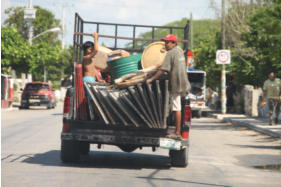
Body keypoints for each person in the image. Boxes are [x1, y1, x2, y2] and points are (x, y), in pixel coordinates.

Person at [146, 34, 190, 138]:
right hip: (184, 83)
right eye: (165, 42)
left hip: (176, 83)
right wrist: (164, 48)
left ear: (174, 43)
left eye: (167, 42)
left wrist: (151, 79)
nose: (165, 44)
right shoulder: (179, 52)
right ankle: (177, 130)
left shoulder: (170, 53)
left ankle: (177, 132)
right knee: (178, 106)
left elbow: (163, 70)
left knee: (176, 107)